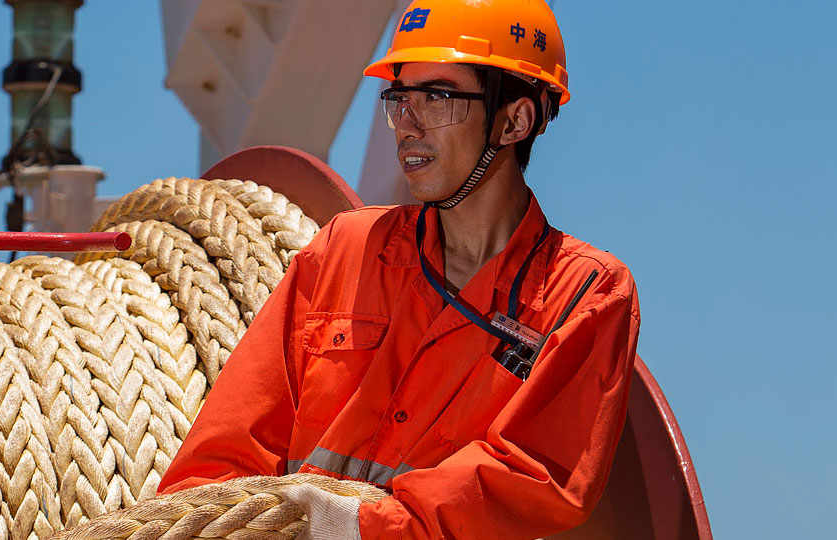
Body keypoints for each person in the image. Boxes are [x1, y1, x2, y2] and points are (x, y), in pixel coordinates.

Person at [157, 0, 641, 538]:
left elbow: (534, 476)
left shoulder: (585, 293)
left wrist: (357, 526)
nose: (406, 125)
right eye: (399, 98)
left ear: (514, 120)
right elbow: (219, 461)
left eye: (437, 97)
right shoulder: (346, 250)